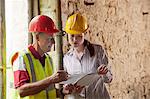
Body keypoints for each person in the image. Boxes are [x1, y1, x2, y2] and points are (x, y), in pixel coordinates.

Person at [11, 15, 68, 99]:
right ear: (37, 37)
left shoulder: (48, 59)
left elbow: (47, 91)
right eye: (49, 39)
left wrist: (62, 91)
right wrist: (51, 79)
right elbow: (21, 91)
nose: (53, 43)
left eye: (53, 39)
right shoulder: (21, 58)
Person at [62, 13, 113, 99]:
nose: (75, 40)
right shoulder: (67, 58)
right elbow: (66, 85)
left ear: (84, 33)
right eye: (72, 36)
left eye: (79, 36)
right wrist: (67, 89)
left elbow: (109, 79)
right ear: (67, 34)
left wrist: (104, 73)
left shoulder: (98, 51)